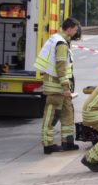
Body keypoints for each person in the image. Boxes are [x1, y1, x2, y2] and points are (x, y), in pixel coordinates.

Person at [34, 17, 81, 154]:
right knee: (51, 115)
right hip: (56, 88)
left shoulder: (56, 38)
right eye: (76, 29)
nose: (76, 32)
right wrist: (66, 88)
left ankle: (68, 142)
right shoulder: (61, 44)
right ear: (70, 28)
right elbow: (61, 68)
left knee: (67, 113)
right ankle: (48, 145)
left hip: (60, 87)